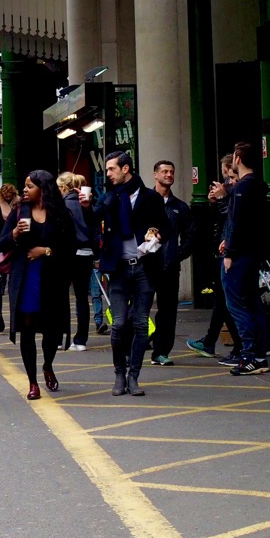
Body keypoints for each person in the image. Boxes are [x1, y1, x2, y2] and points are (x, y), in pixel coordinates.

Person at [85, 151, 167, 396]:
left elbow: (166, 227)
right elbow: (92, 220)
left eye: (111, 169)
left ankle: (134, 377)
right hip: (119, 268)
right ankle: (119, 374)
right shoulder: (110, 198)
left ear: (126, 169)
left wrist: (158, 235)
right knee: (119, 324)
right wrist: (87, 207)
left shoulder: (150, 197)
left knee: (141, 324)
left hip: (144, 266)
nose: (107, 174)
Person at [0, 171, 74, 400]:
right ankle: (32, 382)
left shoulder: (61, 213)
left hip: (52, 278)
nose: (25, 190)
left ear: (43, 189)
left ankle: (48, 365)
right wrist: (14, 232)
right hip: (27, 277)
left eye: (29, 186)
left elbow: (71, 248)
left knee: (52, 330)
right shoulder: (19, 211)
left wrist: (47, 250)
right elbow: (1, 244)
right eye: (25, 186)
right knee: (28, 327)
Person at [216, 142, 270, 376]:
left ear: (237, 158)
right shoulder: (259, 185)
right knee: (252, 302)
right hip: (254, 252)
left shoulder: (240, 189)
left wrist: (229, 253)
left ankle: (249, 356)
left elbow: (237, 223)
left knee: (236, 304)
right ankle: (260, 353)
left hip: (239, 254)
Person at [189, 155, 241, 360]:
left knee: (227, 301)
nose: (229, 181)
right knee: (223, 300)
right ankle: (212, 341)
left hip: (229, 252)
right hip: (223, 249)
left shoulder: (235, 190)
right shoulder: (231, 191)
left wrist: (221, 198)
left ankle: (238, 346)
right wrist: (215, 202)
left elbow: (230, 218)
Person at [150, 160, 194, 366]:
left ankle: (161, 351)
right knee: (137, 310)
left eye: (172, 172)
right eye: (164, 171)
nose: (169, 175)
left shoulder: (180, 207)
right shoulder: (144, 202)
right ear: (155, 175)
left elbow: (190, 236)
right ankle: (133, 348)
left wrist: (177, 255)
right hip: (146, 266)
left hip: (169, 266)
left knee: (168, 311)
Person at [58, 172, 97, 350]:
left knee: (61, 297)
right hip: (86, 253)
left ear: (64, 187)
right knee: (82, 298)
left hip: (68, 254)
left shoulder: (63, 205)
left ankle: (61, 338)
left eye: (59, 187)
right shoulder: (86, 204)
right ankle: (80, 340)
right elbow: (95, 229)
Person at [0, 183, 19, 332]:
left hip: (4, 249)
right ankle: (3, 313)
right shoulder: (20, 204)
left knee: (0, 282)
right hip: (9, 248)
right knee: (7, 284)